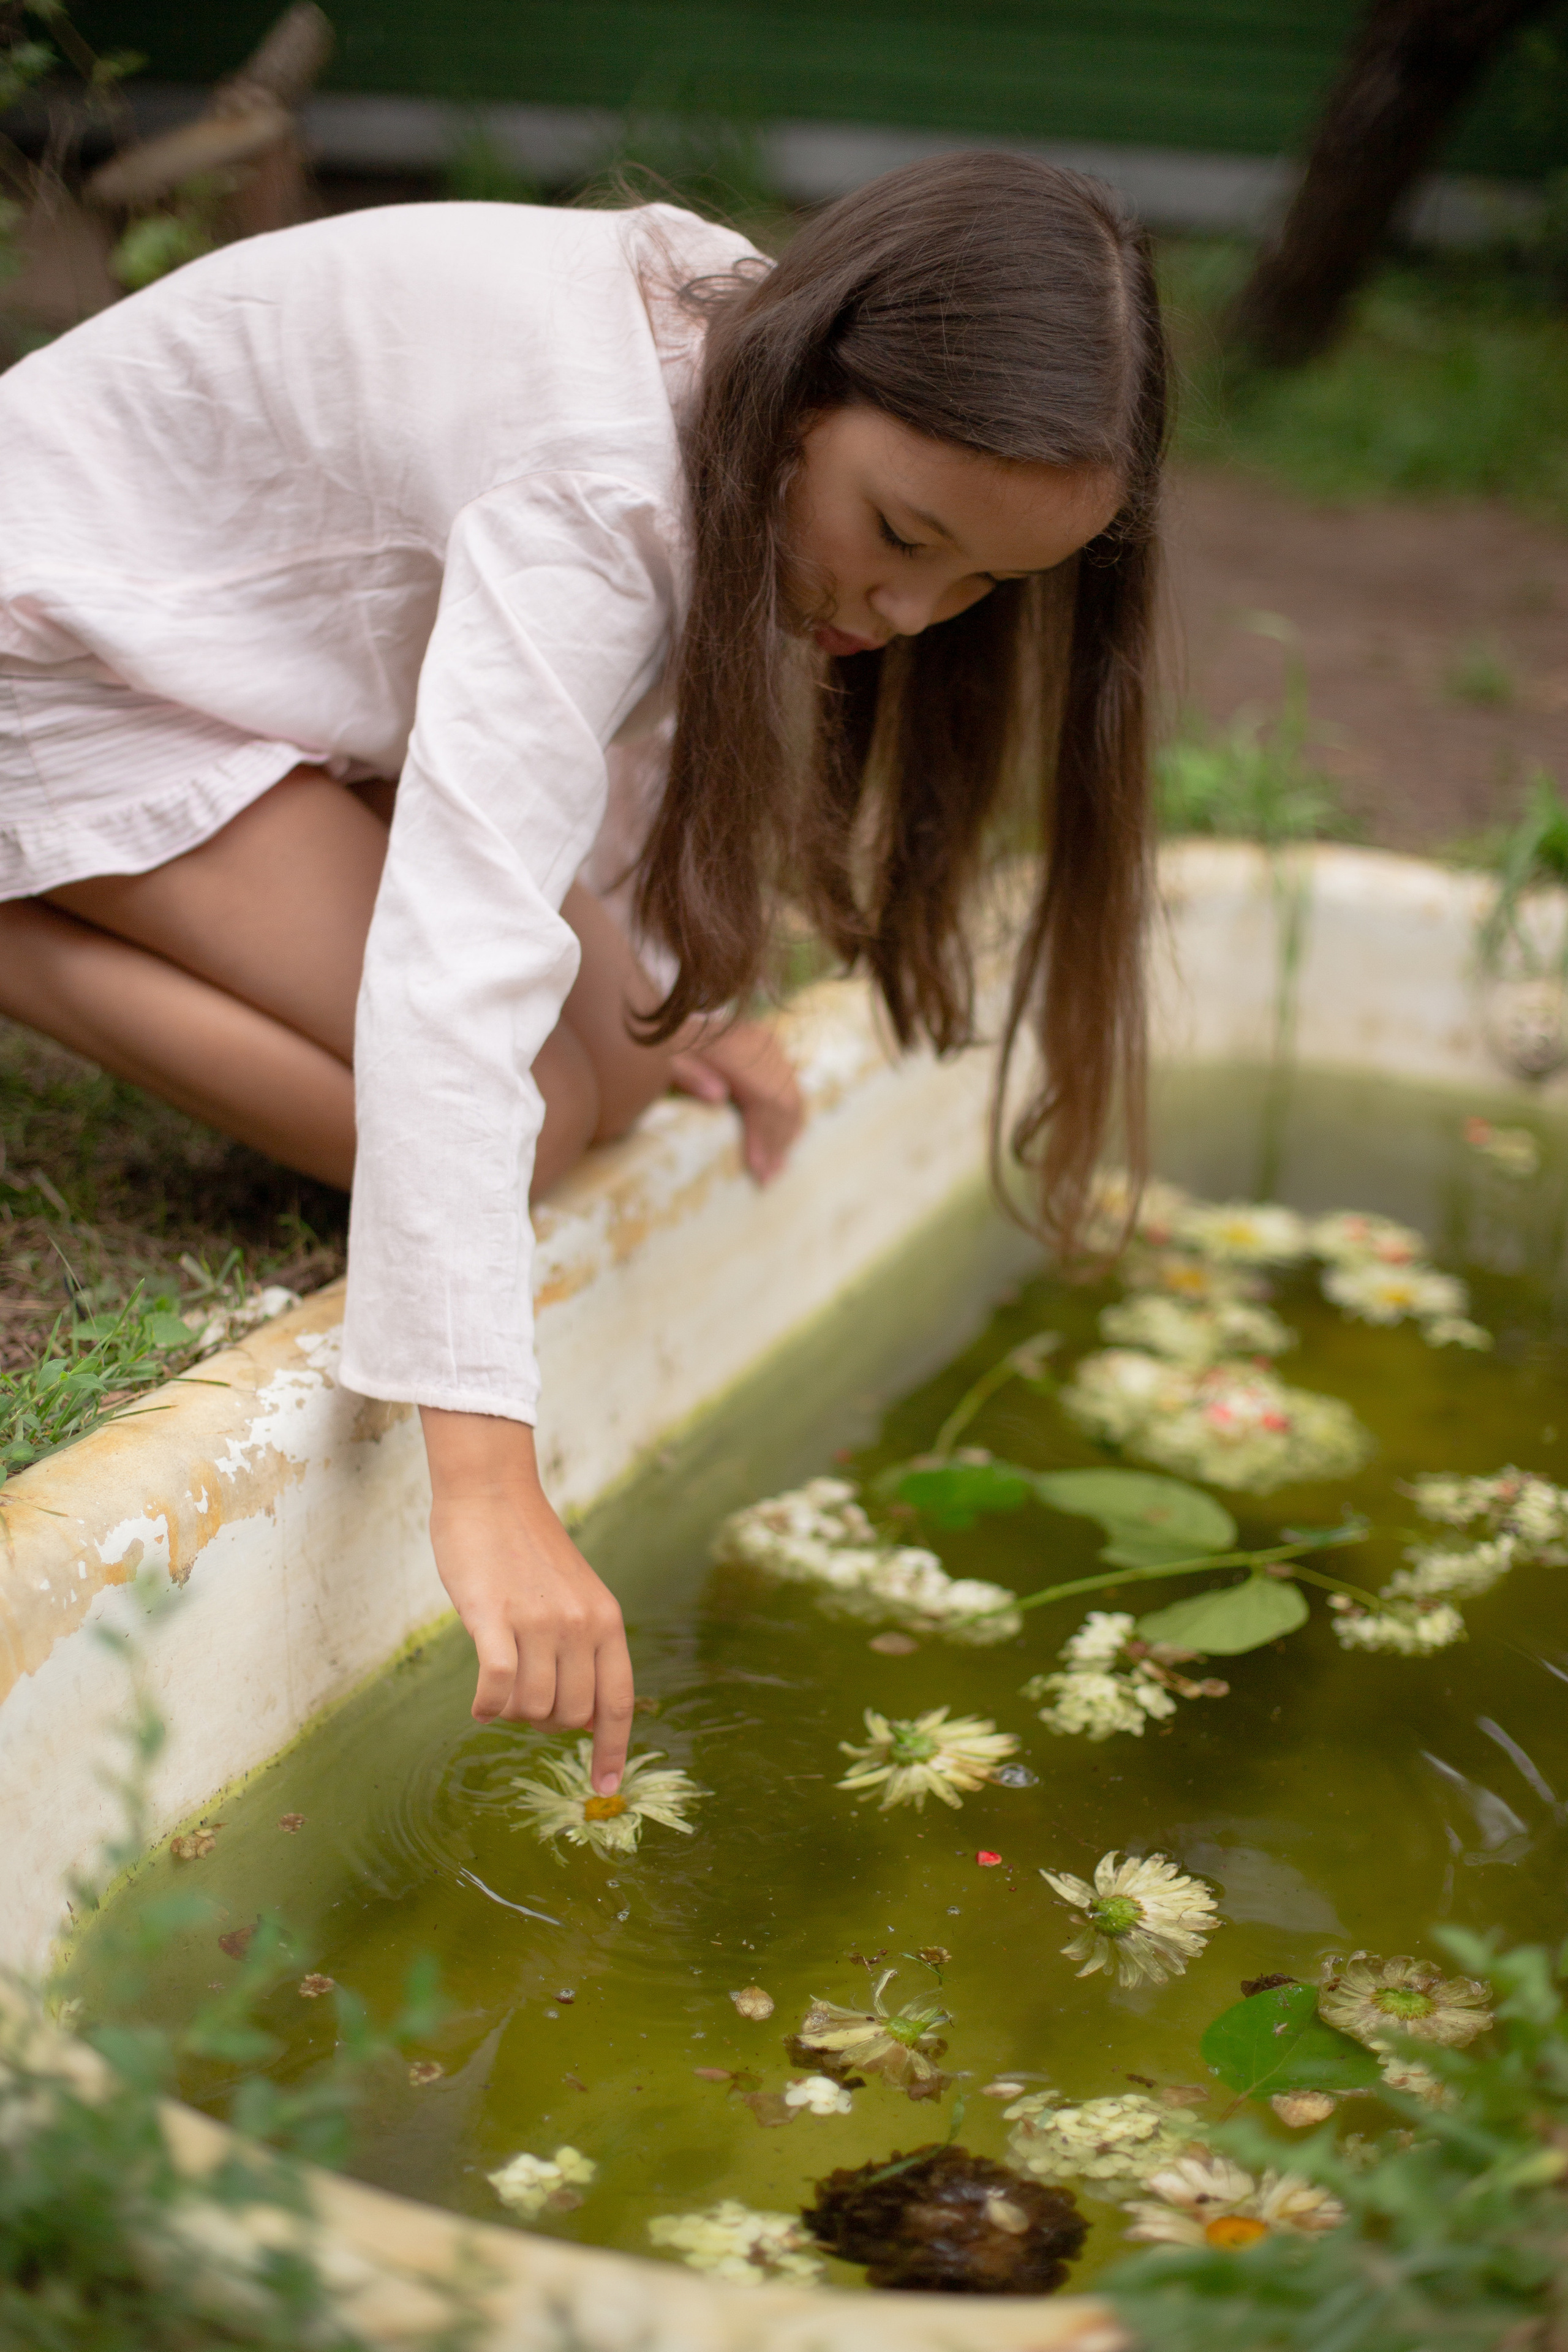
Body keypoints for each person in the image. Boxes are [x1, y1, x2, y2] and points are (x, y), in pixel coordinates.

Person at [0, 153, 1166, 1801]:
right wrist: (485, 1474)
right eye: (904, 537)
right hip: (67, 656)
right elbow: (459, 956)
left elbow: (611, 731)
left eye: (981, 585)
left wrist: (690, 1002)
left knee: (620, 1062)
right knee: (538, 1118)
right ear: (819, 373)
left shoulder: (746, 371)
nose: (912, 612)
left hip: (261, 675)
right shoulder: (603, 467)